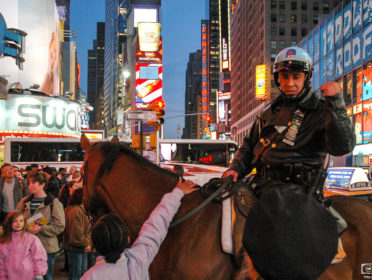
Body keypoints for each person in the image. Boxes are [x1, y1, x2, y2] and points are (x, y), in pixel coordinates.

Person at [222, 46, 355, 199]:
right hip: (260, 187)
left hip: (300, 194)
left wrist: (336, 104)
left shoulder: (321, 111)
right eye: (285, 77)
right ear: (278, 79)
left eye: (296, 77)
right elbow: (248, 147)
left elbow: (343, 146)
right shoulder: (268, 113)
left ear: (306, 77)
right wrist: (235, 168)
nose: (290, 83)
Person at [81, 178, 197, 280]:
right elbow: (156, 225)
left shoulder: (90, 276)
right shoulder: (137, 261)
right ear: (127, 239)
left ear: (94, 244)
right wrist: (177, 193)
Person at [15, 171, 65, 280]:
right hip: (26, 247)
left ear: (42, 184)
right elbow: (15, 221)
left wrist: (41, 228)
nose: (30, 186)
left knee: (46, 276)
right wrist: (25, 227)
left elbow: (60, 226)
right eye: (29, 183)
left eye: (34, 183)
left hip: (47, 248)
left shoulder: (53, 203)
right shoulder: (24, 202)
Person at [0, 211, 48, 279]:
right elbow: (1, 261)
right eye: (15, 221)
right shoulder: (4, 241)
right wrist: (2, 276)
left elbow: (39, 257)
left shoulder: (32, 239)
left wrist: (39, 274)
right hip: (9, 276)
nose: (18, 223)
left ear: (24, 223)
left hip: (28, 275)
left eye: (21, 221)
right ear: (9, 223)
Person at [63, 188, 91, 280]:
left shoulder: (78, 210)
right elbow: (76, 234)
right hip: (76, 248)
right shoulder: (76, 211)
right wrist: (87, 244)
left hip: (79, 248)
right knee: (77, 275)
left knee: (81, 274)